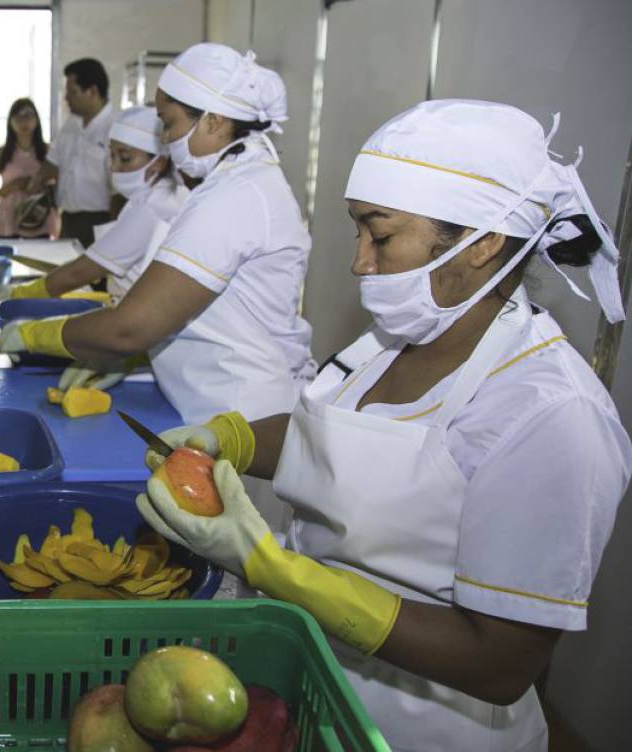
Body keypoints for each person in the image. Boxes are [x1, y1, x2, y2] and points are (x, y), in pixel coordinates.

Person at [139, 99, 632, 751]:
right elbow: (340, 438)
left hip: (417, 730)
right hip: (314, 682)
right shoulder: (394, 341)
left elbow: (500, 663)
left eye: (381, 234)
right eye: (357, 233)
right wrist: (228, 438)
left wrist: (280, 572)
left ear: (482, 241)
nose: (359, 264)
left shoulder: (548, 415)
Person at [0, 44, 311, 527]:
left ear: (212, 120)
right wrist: (126, 356)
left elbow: (133, 325)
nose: (165, 139)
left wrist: (37, 334)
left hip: (242, 414)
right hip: (208, 402)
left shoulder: (238, 195)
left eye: (169, 123)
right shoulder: (232, 184)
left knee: (238, 569)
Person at [0, 106, 186, 314]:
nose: (114, 167)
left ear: (158, 163)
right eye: (111, 156)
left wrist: (17, 294)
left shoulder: (154, 207)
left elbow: (80, 272)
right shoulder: (145, 198)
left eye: (125, 157)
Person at [37, 58, 115, 249]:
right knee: (65, 273)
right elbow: (51, 164)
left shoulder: (115, 128)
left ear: (93, 91)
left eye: (72, 92)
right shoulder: (71, 124)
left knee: (96, 278)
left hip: (101, 222)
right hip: (68, 220)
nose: (66, 98)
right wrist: (32, 186)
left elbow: (119, 191)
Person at [0, 98, 59, 239]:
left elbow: (58, 186)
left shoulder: (48, 151)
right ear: (10, 122)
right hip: (7, 221)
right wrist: (7, 189)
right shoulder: (0, 153)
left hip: (39, 219)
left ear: (36, 120)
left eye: (29, 116)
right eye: (18, 117)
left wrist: (41, 185)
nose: (24, 121)